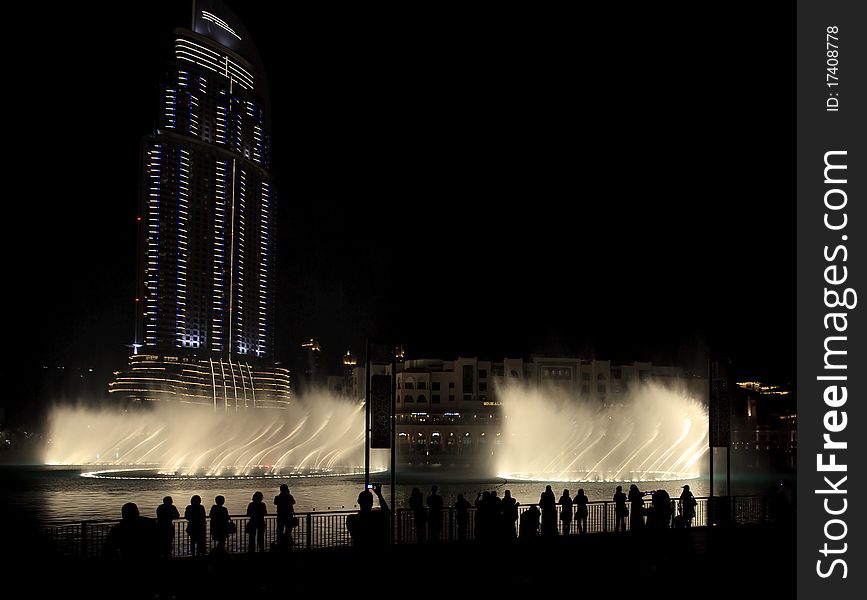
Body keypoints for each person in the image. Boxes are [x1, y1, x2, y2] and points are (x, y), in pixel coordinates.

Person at [346, 482, 390, 547]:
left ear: (358, 501)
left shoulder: (351, 519)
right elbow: (386, 512)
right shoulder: (377, 517)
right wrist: (379, 494)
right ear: (372, 503)